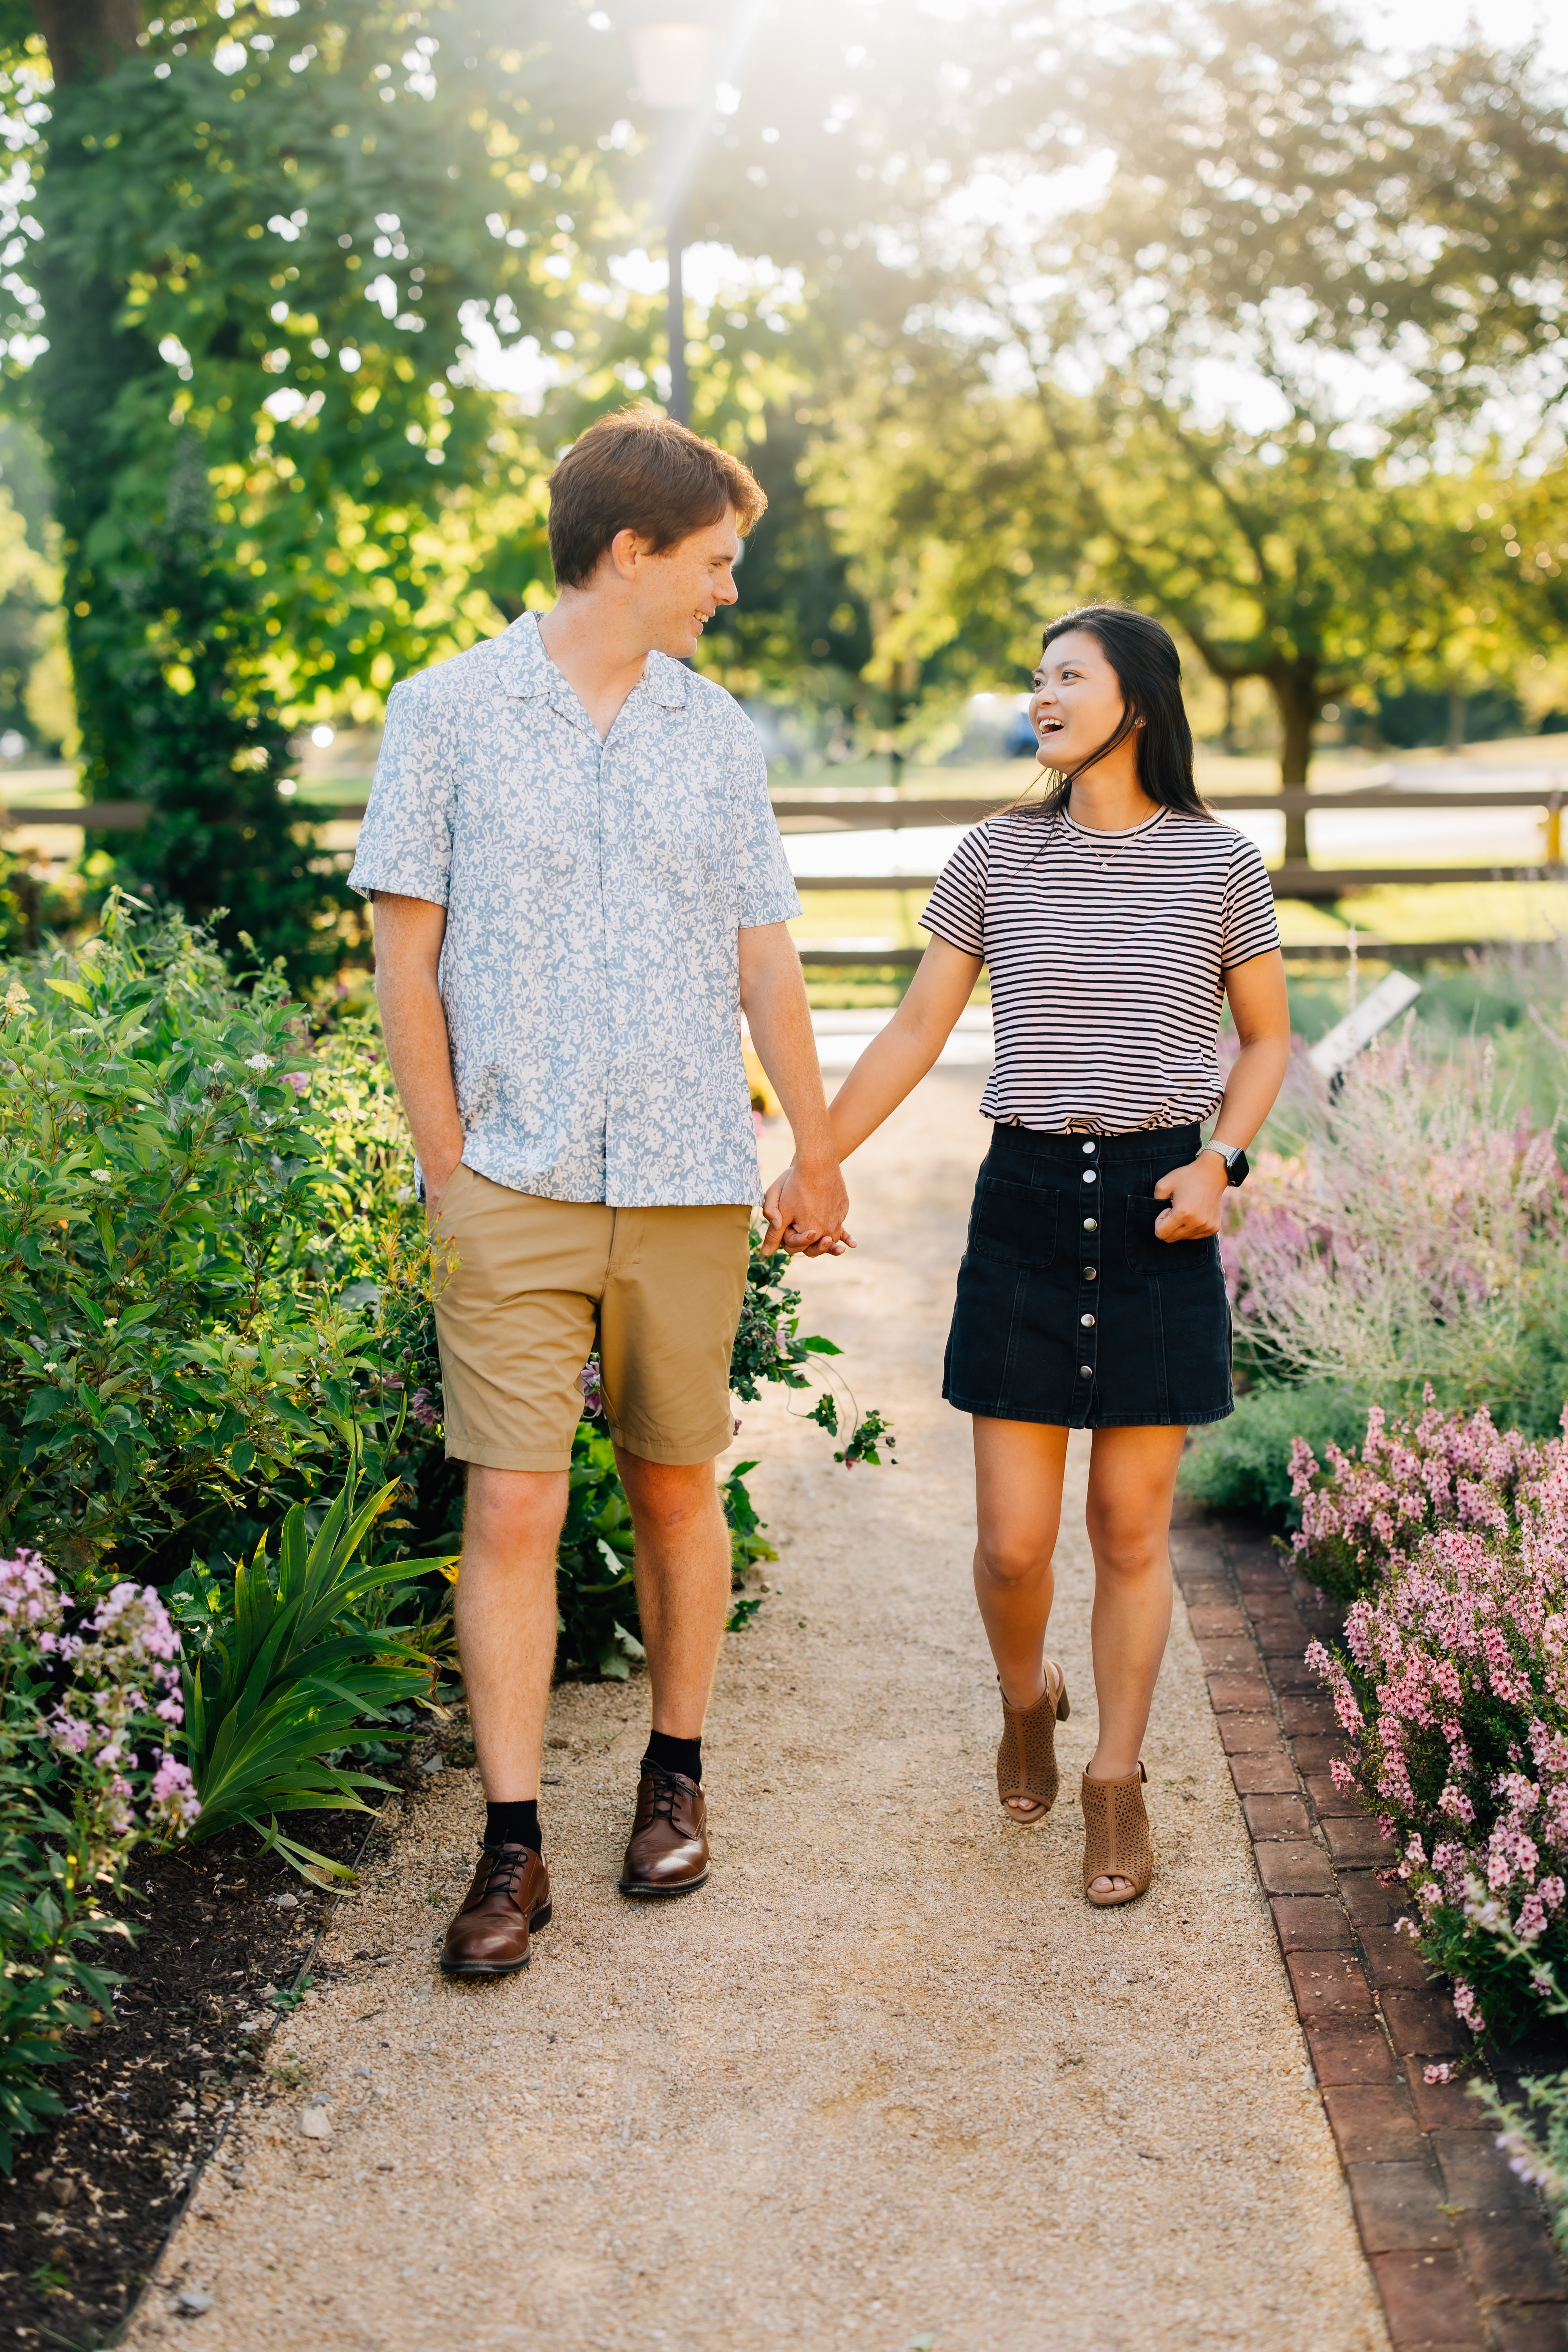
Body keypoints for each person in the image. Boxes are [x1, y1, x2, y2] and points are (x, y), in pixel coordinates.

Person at [350, 405, 850, 1978]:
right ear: (631, 550)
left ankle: (672, 1777)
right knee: (512, 1501)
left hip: (690, 1175)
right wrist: (448, 1170)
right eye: (714, 561)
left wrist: (815, 1145)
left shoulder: (719, 736)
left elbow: (764, 957)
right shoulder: (443, 713)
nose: (728, 590)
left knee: (675, 1486)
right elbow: (404, 963)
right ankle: (510, 1848)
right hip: (511, 1175)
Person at [768, 605, 1290, 1906]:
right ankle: (1027, 1695)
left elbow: (1267, 1039)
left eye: (1070, 676)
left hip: (1159, 1209)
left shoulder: (1221, 863)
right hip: (1029, 1205)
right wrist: (816, 1155)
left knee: (1129, 1529)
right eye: (1037, 677)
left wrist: (1222, 1163)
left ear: (1139, 704)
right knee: (1012, 1546)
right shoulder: (995, 854)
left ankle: (1116, 1781)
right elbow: (914, 1027)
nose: (1042, 696)